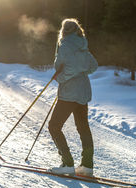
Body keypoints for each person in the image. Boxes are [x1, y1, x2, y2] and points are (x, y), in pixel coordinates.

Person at [48, 18, 98, 176]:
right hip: (83, 91)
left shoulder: (65, 45)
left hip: (69, 92)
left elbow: (68, 68)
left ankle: (67, 164)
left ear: (64, 30)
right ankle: (87, 166)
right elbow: (93, 66)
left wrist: (60, 78)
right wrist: (81, 72)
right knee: (83, 127)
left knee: (54, 126)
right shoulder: (83, 44)